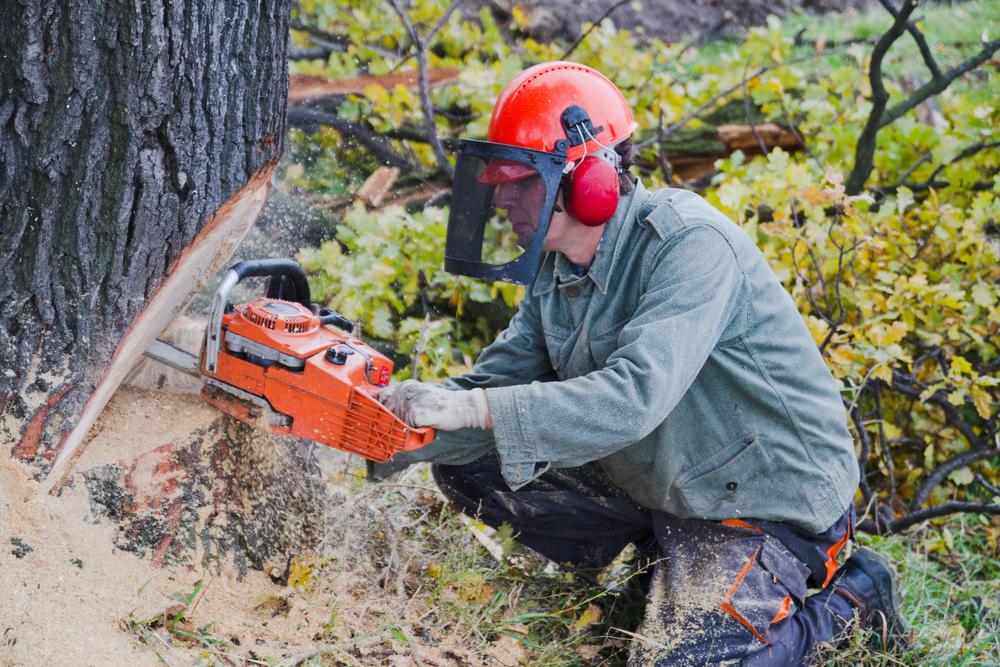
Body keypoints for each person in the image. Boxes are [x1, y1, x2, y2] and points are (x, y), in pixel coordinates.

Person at [376, 61, 906, 665]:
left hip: (759, 500)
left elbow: (632, 398)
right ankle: (657, 570)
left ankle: (850, 604)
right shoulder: (556, 265)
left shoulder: (689, 246)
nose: (501, 198)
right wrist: (382, 430)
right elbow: (496, 383)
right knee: (471, 459)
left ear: (589, 180)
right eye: (498, 181)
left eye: (520, 181)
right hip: (664, 480)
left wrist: (474, 407)